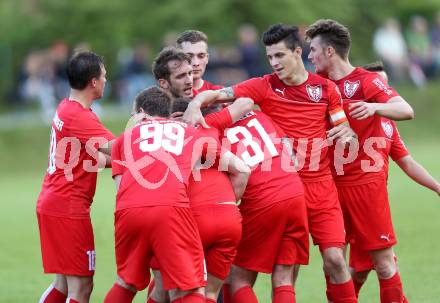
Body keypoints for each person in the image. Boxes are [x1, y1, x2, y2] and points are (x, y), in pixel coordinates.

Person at [185, 23, 358, 303]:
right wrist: (195, 104)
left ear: (297, 52)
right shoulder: (263, 86)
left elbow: (344, 129)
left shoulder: (325, 89)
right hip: (287, 184)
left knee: (335, 260)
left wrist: (347, 135)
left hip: (320, 187)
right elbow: (218, 94)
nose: (275, 63)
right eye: (270, 58)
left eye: (280, 55)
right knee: (284, 273)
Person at [305, 19, 414, 303]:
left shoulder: (367, 81)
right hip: (329, 187)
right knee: (334, 263)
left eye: (313, 49)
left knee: (383, 262)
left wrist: (374, 107)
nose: (309, 56)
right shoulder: (316, 88)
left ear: (330, 51)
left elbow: (405, 109)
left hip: (365, 185)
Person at [104, 87, 213, 303]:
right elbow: (187, 175)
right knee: (189, 289)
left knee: (126, 283)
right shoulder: (189, 132)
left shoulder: (124, 139)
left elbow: (121, 190)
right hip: (170, 209)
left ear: (141, 113)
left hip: (129, 212)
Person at [36, 51, 115, 303]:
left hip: (55, 202)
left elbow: (98, 159)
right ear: (93, 82)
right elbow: (119, 148)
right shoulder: (79, 117)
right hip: (68, 207)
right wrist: (151, 135)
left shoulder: (67, 107)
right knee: (81, 287)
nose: (106, 80)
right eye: (103, 76)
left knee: (62, 284)